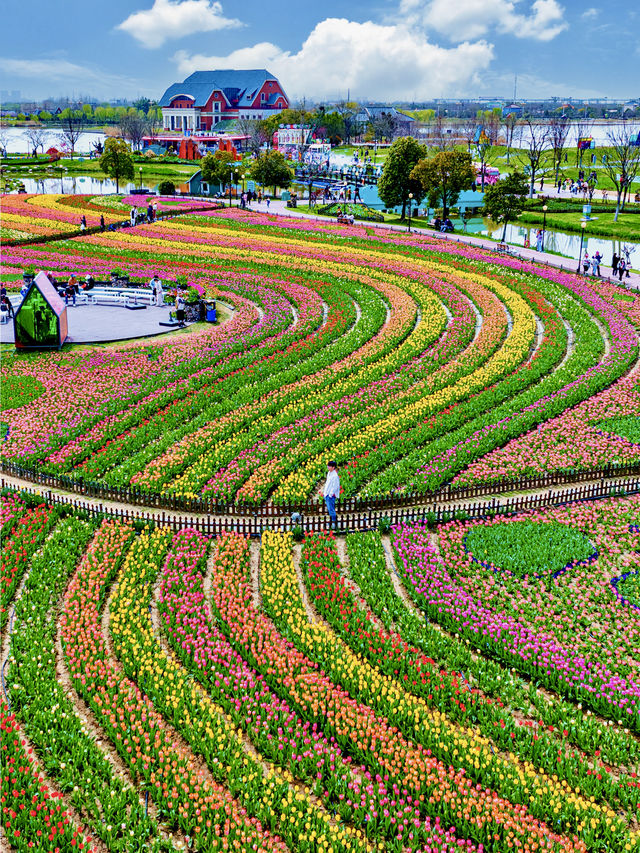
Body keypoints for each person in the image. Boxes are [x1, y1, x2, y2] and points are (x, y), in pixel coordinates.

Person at [323, 460, 340, 530]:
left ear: (333, 467)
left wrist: (330, 494)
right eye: (328, 465)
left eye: (329, 466)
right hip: (327, 494)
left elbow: (335, 486)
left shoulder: (335, 476)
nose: (328, 467)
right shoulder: (329, 473)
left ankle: (334, 523)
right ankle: (333, 522)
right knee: (330, 509)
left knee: (331, 509)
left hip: (331, 495)